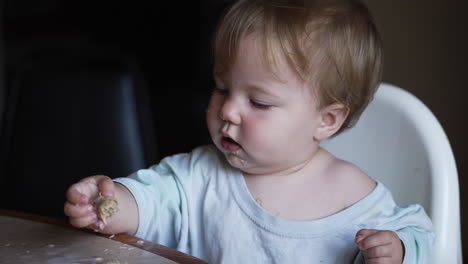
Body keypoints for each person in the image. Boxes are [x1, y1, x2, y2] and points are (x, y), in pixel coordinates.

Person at [64, 0, 434, 263]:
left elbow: (421, 237)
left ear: (327, 120)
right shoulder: (198, 176)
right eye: (222, 88)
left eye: (258, 102)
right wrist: (106, 205)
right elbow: (149, 201)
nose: (227, 110)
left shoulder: (354, 196)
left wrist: (396, 250)